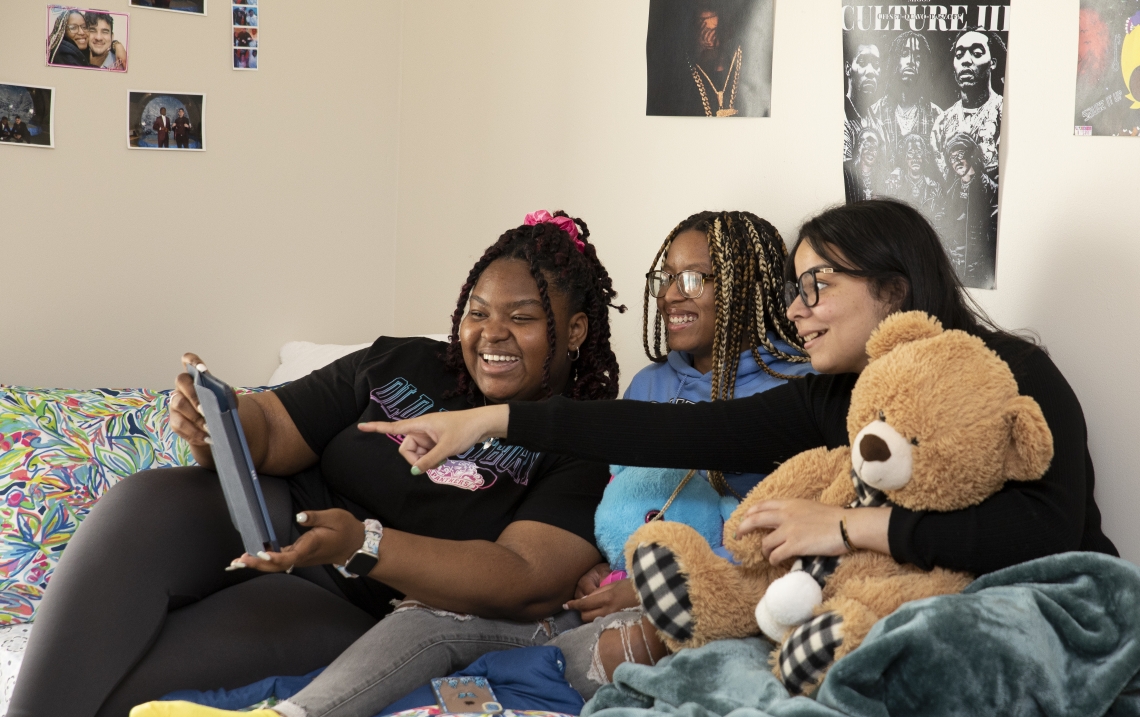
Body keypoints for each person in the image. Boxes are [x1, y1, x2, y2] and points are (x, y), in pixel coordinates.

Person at [0, 211, 624, 717]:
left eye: (523, 318)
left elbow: (523, 578)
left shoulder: (586, 444)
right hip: (270, 515)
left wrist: (365, 544)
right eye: (477, 313)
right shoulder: (401, 361)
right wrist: (216, 418)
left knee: (143, 664)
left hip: (348, 596)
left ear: (573, 332)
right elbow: (270, 429)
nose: (491, 334)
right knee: (143, 500)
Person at [363, 199, 1118, 626]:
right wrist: (489, 422)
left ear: (892, 288)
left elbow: (1047, 535)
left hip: (1051, 609)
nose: (797, 310)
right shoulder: (837, 396)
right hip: (901, 614)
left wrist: (849, 526)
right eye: (794, 287)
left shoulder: (1011, 373)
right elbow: (673, 433)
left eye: (817, 285)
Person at [548, 210, 812, 697]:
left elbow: (782, 538)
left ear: (747, 286)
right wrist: (604, 564)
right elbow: (619, 495)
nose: (672, 294)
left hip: (724, 599)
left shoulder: (798, 386)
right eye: (665, 278)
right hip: (627, 584)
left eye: (692, 278)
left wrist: (656, 588)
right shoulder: (650, 383)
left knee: (613, 650)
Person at [931, 30, 1005, 179]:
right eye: (959, 55)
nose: (965, 60)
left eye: (976, 53)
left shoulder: (1004, 113)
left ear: (993, 63)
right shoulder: (941, 123)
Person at [865, 32, 943, 168]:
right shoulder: (873, 113)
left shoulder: (937, 116)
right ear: (895, 60)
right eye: (905, 53)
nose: (911, 61)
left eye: (917, 57)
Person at [938, 134, 998, 289]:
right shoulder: (951, 192)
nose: (956, 161)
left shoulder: (991, 189)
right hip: (955, 270)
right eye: (952, 158)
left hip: (980, 271)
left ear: (971, 155)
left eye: (960, 155)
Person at [883, 133, 943, 218]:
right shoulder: (893, 186)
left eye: (918, 152)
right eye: (910, 153)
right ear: (905, 156)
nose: (915, 158)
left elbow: (941, 215)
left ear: (924, 155)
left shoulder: (935, 188)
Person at [843, 41, 880, 161]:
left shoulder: (879, 124)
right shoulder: (841, 119)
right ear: (848, 69)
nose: (870, 71)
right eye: (862, 62)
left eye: (875, 64)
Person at [843, 127, 886, 202]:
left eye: (874, 147)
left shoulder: (883, 175)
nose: (871, 151)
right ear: (859, 146)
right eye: (867, 145)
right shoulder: (848, 172)